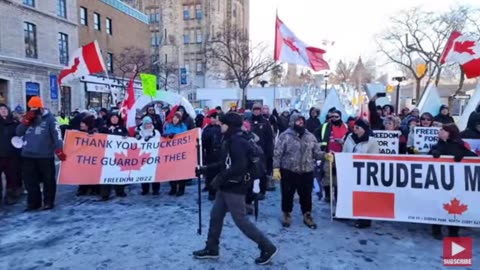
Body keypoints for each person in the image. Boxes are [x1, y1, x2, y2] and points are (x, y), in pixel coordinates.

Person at [193, 112, 277, 265]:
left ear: (229, 125)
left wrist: (220, 177)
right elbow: (223, 164)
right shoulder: (230, 139)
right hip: (226, 186)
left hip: (235, 187)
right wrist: (204, 169)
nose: (220, 126)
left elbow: (239, 166)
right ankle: (212, 248)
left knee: (241, 220)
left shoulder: (237, 141)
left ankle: (267, 246)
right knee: (215, 216)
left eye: (222, 123)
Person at [273, 113, 327, 229]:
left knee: (306, 195)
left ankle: (307, 214)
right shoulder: (285, 136)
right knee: (287, 194)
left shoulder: (310, 136)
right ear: (293, 122)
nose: (301, 123)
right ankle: (286, 213)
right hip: (289, 170)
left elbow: (316, 153)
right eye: (298, 121)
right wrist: (276, 168)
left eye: (302, 121)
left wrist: (325, 155)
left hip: (306, 171)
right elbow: (277, 153)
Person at [16, 96, 65, 211]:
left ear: (40, 107)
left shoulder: (50, 119)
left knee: (48, 180)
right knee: (30, 181)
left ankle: (48, 202)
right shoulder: (28, 117)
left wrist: (59, 150)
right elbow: (18, 132)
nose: (32, 110)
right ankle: (33, 203)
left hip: (45, 155)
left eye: (35, 107)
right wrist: (26, 121)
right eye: (31, 108)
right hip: (27, 154)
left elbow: (57, 135)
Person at [430, 124, 477, 239]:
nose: (439, 131)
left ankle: (453, 231)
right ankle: (436, 229)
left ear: (449, 133)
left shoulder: (460, 145)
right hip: (441, 182)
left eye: (442, 130)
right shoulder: (437, 145)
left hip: (456, 183)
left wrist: (463, 156)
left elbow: (474, 157)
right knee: (439, 205)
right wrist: (433, 154)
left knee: (454, 207)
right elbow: (426, 161)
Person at [342, 118, 379, 228]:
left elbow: (374, 158)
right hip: (350, 169)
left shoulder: (372, 141)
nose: (355, 129)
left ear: (364, 129)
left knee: (363, 195)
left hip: (364, 172)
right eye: (354, 127)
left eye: (358, 127)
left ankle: (364, 219)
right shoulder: (350, 137)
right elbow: (345, 151)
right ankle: (345, 213)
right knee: (347, 192)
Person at [315, 109, 348, 202]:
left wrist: (343, 142)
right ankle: (328, 196)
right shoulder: (325, 126)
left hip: (342, 156)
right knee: (327, 176)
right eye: (332, 117)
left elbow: (350, 139)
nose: (333, 118)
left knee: (339, 177)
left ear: (340, 117)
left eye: (336, 117)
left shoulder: (346, 126)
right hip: (328, 154)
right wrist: (321, 144)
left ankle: (338, 196)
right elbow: (315, 134)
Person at [99, 114, 129, 200]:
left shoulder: (122, 128)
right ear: (110, 119)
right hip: (107, 156)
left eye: (116, 117)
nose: (115, 119)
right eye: (112, 117)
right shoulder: (105, 128)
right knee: (106, 175)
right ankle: (105, 194)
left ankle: (120, 191)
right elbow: (98, 138)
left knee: (119, 173)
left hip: (119, 155)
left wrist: (126, 136)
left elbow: (129, 138)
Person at [250, 103, 274, 200]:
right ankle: (251, 190)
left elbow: (269, 138)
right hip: (250, 151)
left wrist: (269, 152)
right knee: (251, 172)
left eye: (258, 109)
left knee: (261, 172)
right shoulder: (248, 121)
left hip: (262, 151)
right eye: (255, 109)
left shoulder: (265, 122)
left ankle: (262, 191)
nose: (256, 111)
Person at [136, 116, 162, 195]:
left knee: (155, 173)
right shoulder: (139, 132)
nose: (149, 125)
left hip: (154, 155)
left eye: (150, 123)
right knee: (144, 173)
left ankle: (156, 189)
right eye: (147, 123)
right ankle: (145, 189)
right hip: (143, 156)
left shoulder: (156, 132)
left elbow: (160, 141)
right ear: (144, 124)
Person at [164, 112, 188, 196]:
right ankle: (173, 188)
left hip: (180, 152)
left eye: (177, 118)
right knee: (172, 171)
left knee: (181, 171)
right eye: (174, 118)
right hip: (171, 152)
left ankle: (181, 189)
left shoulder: (183, 126)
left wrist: (176, 136)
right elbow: (165, 134)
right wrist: (167, 135)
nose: (175, 120)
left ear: (179, 119)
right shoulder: (169, 126)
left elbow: (185, 136)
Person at [0, 104, 20, 205]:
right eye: (1, 109)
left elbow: (20, 136)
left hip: (12, 155)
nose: (3, 111)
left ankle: (10, 196)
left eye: (5, 109)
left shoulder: (14, 123)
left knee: (11, 177)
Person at [76, 115, 101, 196]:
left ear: (88, 124)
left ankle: (94, 188)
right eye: (81, 123)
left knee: (93, 173)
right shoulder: (78, 132)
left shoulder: (95, 132)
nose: (81, 124)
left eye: (83, 123)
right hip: (82, 157)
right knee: (82, 173)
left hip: (92, 157)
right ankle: (83, 188)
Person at [201, 110, 223, 201]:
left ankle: (220, 192)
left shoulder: (221, 127)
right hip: (210, 154)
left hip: (221, 154)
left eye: (214, 118)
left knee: (220, 174)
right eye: (212, 118)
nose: (213, 120)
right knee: (211, 174)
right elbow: (203, 142)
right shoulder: (207, 129)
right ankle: (211, 192)